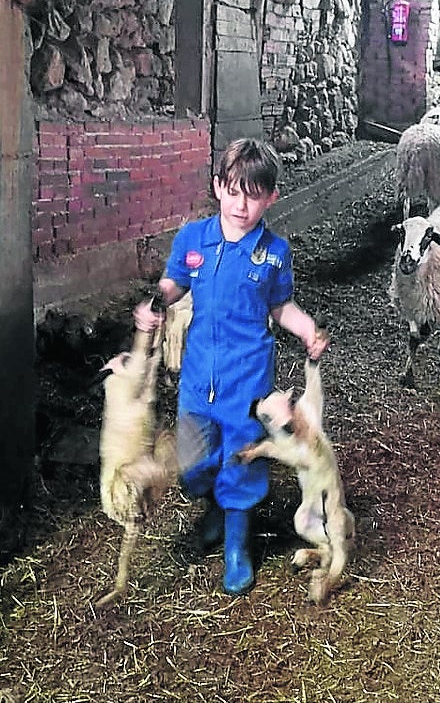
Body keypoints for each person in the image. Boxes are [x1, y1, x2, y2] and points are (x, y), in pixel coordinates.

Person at [134, 138, 329, 595]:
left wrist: (305, 331)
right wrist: (154, 304)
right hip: (199, 375)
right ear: (218, 187)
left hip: (248, 380)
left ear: (271, 197)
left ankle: (237, 545)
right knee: (192, 461)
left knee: (241, 462)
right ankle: (213, 510)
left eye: (255, 194)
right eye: (235, 191)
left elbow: (282, 307)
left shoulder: (275, 252)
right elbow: (173, 284)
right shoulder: (192, 239)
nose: (243, 205)